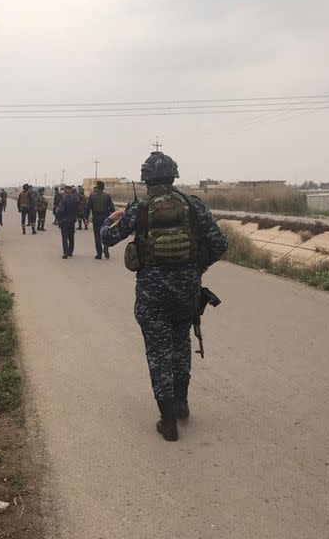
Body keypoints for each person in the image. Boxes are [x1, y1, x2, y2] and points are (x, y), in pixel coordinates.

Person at [101, 151, 228, 441]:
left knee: (158, 351)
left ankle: (168, 420)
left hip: (152, 293)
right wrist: (197, 267)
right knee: (181, 342)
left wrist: (110, 220)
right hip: (187, 290)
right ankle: (182, 404)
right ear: (174, 176)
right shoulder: (193, 205)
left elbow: (108, 239)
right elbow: (219, 244)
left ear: (145, 179)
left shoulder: (139, 209)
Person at [87, 180, 115, 259]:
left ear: (97, 187)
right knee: (105, 234)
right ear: (103, 187)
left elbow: (88, 207)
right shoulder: (107, 196)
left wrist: (86, 217)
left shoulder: (92, 196)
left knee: (97, 236)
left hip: (96, 218)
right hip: (106, 218)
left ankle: (99, 254)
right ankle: (106, 248)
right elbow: (112, 208)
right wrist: (114, 218)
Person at [55, 185, 79, 259]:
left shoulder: (63, 200)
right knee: (71, 236)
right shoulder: (75, 200)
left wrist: (59, 219)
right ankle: (70, 252)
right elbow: (77, 209)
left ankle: (65, 253)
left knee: (64, 237)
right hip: (72, 220)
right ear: (71, 191)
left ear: (65, 191)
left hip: (64, 221)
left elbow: (60, 211)